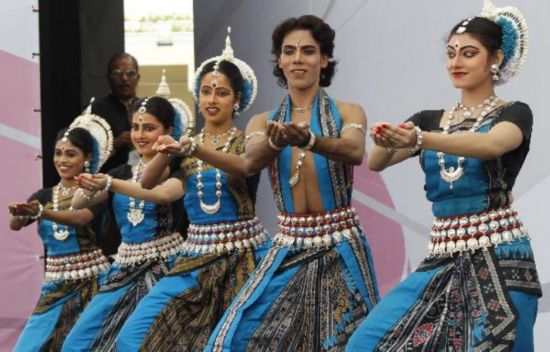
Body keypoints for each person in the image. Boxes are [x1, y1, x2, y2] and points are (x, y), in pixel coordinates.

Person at [346, 1, 541, 351]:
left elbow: (492, 144)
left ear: (494, 59)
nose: (455, 62)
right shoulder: (429, 119)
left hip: (500, 256)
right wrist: (387, 138)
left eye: (468, 53)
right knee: (366, 343)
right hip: (443, 256)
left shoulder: (514, 113)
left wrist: (420, 139)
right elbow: (377, 162)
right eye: (451, 53)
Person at [205, 15, 379, 351]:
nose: (298, 58)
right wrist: (278, 141)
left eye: (308, 51)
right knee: (231, 339)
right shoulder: (264, 121)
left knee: (351, 343)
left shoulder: (348, 112)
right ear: (280, 61)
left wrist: (310, 139)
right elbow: (249, 162)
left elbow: (355, 151)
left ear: (324, 59)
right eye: (289, 51)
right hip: (289, 244)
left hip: (341, 242)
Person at [113, 30, 270, 351]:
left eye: (222, 93)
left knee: (227, 343)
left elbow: (245, 167)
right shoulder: (185, 145)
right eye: (206, 91)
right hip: (192, 258)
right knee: (133, 338)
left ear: (237, 99)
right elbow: (147, 182)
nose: (212, 100)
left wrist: (193, 149)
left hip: (243, 257)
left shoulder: (245, 141)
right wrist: (168, 150)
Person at [61, 96, 186, 351]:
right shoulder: (121, 173)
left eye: (149, 128)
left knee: (137, 343)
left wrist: (109, 183)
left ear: (169, 131)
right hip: (123, 270)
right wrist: (88, 181)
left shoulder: (179, 168)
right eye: (136, 127)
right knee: (77, 343)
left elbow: (163, 195)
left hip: (165, 266)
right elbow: (77, 202)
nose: (140, 135)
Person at [9, 112, 113, 351]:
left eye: (70, 154)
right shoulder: (44, 196)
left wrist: (40, 213)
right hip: (55, 285)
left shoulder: (94, 192)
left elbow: (79, 218)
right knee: (29, 346)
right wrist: (20, 212)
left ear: (87, 158)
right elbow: (14, 225)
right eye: (58, 153)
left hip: (92, 281)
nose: (62, 160)